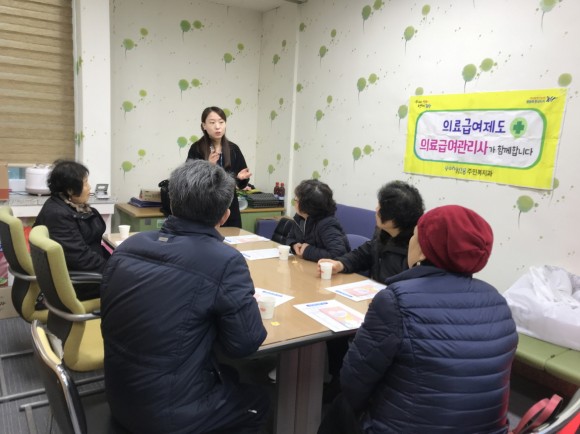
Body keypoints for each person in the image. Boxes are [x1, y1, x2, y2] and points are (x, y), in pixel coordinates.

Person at [100, 160, 269, 434]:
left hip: (119, 395)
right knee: (259, 399)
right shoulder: (225, 261)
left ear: (172, 203)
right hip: (168, 414)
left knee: (227, 373)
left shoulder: (128, 247)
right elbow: (245, 345)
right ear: (225, 215)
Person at [318, 205, 519, 434]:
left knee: (341, 407)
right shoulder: (498, 301)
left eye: (414, 235)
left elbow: (353, 381)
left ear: (423, 251)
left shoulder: (396, 300)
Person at [318, 180, 424, 281]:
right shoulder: (383, 232)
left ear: (395, 219)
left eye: (381, 208)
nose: (376, 210)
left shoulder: (415, 251)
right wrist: (341, 264)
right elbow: (364, 254)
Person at [34, 160, 109, 299]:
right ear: (70, 190)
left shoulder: (68, 206)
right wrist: (113, 269)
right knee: (136, 281)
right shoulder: (58, 215)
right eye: (85, 183)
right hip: (80, 283)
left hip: (87, 272)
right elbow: (80, 257)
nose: (89, 187)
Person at [186, 106, 251, 228]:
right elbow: (188, 182)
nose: (217, 126)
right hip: (204, 207)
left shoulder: (233, 149)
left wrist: (241, 178)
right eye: (212, 122)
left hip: (230, 208)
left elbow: (241, 184)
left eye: (221, 122)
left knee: (232, 238)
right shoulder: (196, 148)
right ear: (204, 126)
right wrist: (208, 166)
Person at [285, 179, 350, 262]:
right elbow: (290, 237)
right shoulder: (300, 217)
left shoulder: (328, 224)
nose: (294, 202)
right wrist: (293, 245)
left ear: (308, 206)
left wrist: (307, 251)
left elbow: (338, 254)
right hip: (306, 264)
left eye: (296, 200)